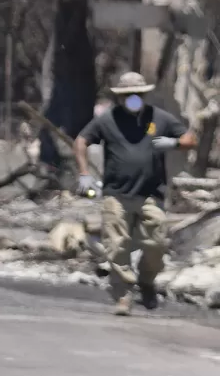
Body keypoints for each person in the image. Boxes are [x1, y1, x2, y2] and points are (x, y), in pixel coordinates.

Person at [75, 71, 197, 315]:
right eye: (127, 95)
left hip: (150, 194)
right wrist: (85, 174)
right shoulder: (108, 119)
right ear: (120, 97)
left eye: (137, 94)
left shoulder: (158, 118)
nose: (133, 98)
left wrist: (173, 143)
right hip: (116, 195)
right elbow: (81, 141)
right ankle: (123, 296)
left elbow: (190, 139)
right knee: (117, 246)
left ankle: (146, 281)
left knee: (157, 243)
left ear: (143, 95)